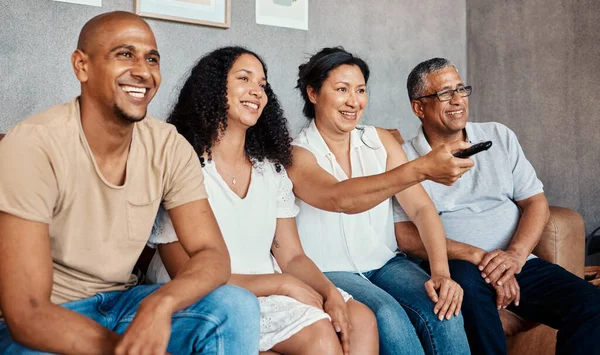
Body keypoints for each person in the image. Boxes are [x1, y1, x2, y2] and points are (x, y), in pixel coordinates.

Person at [0, 12, 260, 354]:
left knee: (236, 306)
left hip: (125, 304)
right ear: (82, 66)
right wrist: (126, 348)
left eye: (151, 59)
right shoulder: (33, 144)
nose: (142, 70)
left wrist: (162, 303)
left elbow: (212, 254)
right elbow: (28, 313)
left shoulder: (168, 145)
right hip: (52, 318)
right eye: (124, 54)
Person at [145, 46, 379, 355]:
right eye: (244, 78)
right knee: (321, 338)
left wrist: (327, 292)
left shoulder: (271, 170)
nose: (257, 91)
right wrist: (281, 285)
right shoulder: (181, 164)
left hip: (268, 284)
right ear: (214, 88)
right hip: (210, 294)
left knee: (362, 318)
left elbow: (293, 257)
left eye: (263, 84)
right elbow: (183, 272)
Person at [393, 57, 600, 355]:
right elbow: (405, 235)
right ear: (418, 107)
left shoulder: (499, 135)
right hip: (458, 266)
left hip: (517, 263)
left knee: (591, 307)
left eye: (461, 90)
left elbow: (535, 202)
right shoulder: (404, 159)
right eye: (444, 94)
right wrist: (479, 258)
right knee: (466, 286)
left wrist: (515, 257)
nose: (457, 100)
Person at [286, 47, 472, 355]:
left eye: (360, 90)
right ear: (313, 93)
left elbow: (422, 208)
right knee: (388, 316)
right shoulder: (297, 154)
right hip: (328, 270)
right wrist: (420, 168)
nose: (353, 101)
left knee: (444, 308)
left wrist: (441, 273)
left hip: (386, 262)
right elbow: (339, 198)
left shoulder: (379, 141)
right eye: (341, 89)